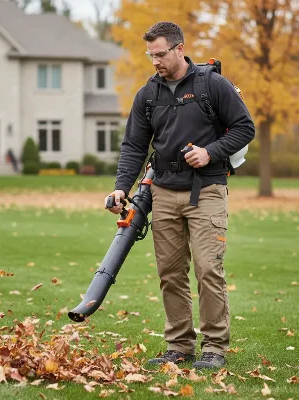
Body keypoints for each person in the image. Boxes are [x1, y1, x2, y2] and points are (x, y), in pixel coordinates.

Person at [105, 21, 255, 369]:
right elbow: (134, 146)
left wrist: (211, 152)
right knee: (170, 272)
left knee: (207, 268)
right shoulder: (148, 94)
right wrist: (120, 187)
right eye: (150, 55)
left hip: (207, 190)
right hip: (163, 192)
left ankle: (215, 347)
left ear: (179, 48)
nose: (155, 61)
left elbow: (245, 127)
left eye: (160, 54)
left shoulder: (211, 85)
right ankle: (180, 346)